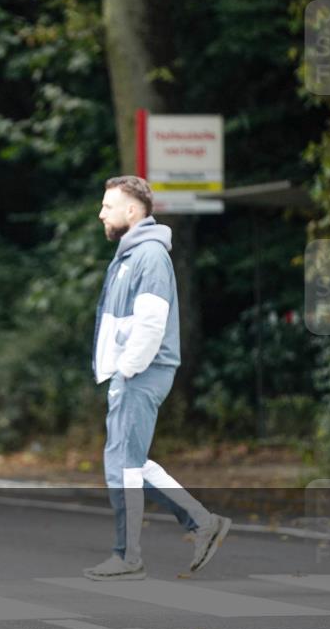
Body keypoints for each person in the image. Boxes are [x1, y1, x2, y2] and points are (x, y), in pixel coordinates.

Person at [85, 176, 230, 581]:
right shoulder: (131, 255)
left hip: (141, 372)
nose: (101, 213)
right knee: (130, 464)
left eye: (108, 206)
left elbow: (150, 324)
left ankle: (129, 557)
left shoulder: (148, 256)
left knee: (124, 468)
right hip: (134, 373)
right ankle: (201, 523)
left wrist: (126, 372)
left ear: (132, 211)